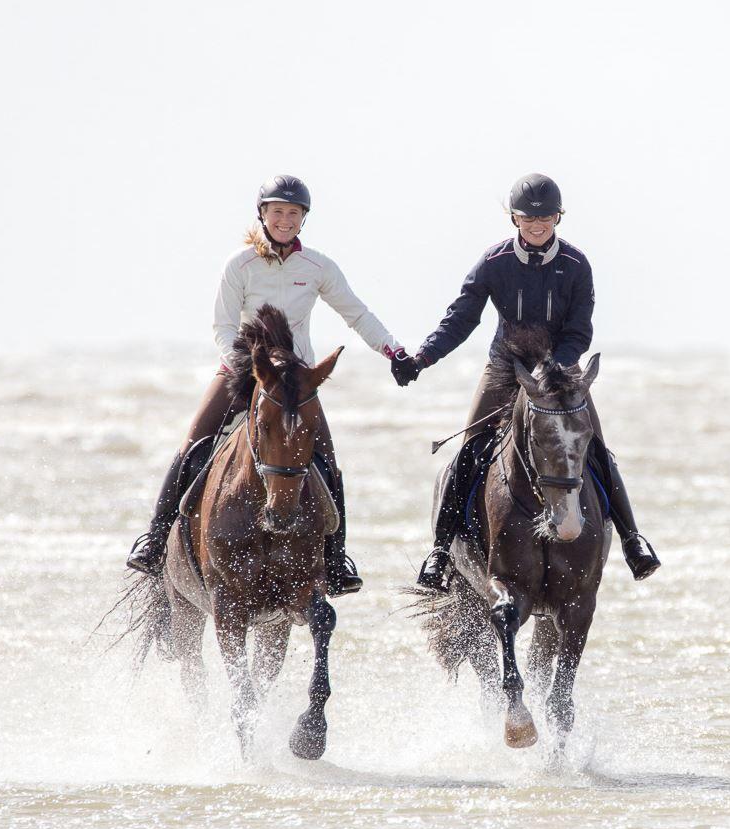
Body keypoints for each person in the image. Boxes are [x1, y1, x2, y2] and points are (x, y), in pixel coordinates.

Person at [126, 174, 408, 595]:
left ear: (303, 219)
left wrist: (394, 351)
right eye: (277, 212)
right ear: (262, 215)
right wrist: (242, 364)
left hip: (294, 381)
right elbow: (223, 326)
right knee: (193, 445)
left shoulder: (318, 267)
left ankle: (335, 560)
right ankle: (155, 540)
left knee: (327, 460)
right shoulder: (238, 265)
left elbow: (357, 313)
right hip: (242, 370)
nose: (285, 219)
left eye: (293, 213)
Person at [389, 172, 660, 591]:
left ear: (558, 217)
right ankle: (441, 553)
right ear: (513, 218)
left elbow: (579, 331)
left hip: (561, 374)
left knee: (596, 449)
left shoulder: (575, 265)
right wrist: (423, 357)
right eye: (527, 218)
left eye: (546, 218)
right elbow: (461, 318)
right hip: (505, 369)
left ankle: (632, 540)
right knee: (470, 448)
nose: (537, 225)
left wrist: (552, 368)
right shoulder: (494, 262)